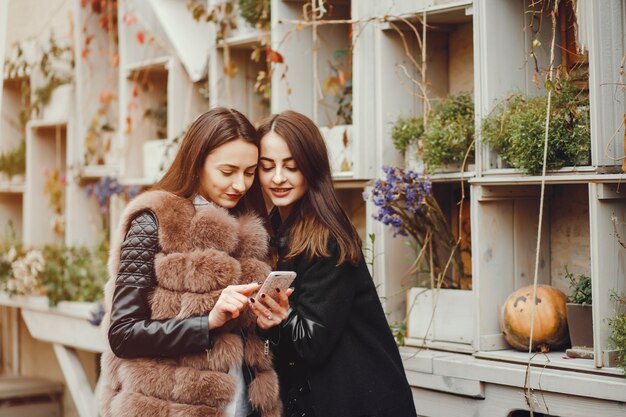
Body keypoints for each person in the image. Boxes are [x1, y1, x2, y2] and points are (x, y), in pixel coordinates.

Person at [99, 107, 282, 417]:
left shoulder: (250, 229)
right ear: (197, 163)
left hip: (241, 405)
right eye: (228, 171)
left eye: (249, 172)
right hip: (164, 408)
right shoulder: (153, 221)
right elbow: (123, 334)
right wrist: (207, 322)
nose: (240, 184)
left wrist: (269, 319)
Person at [248, 110, 417, 417]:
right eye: (267, 167)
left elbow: (313, 345)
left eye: (292, 166)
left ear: (312, 168)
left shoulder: (327, 239)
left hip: (356, 400)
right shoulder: (273, 229)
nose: (278, 178)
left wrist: (281, 318)